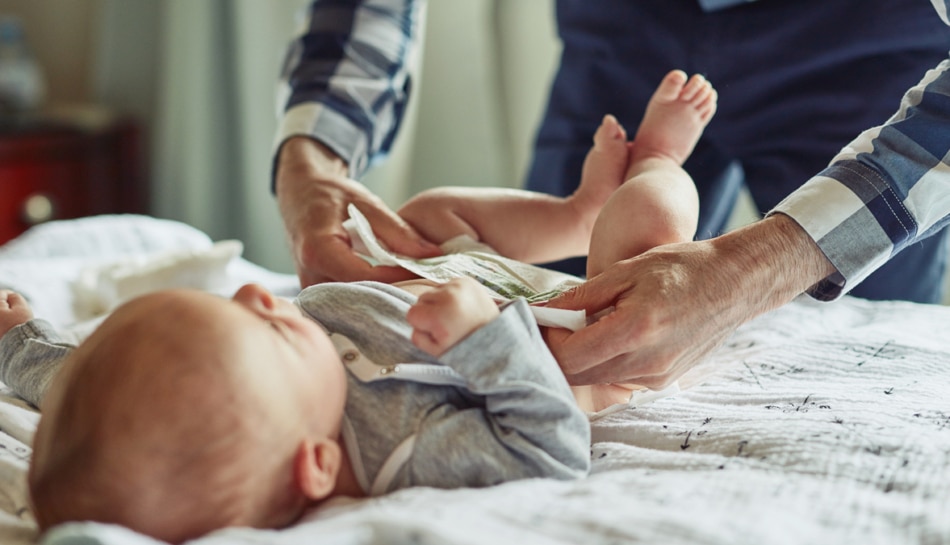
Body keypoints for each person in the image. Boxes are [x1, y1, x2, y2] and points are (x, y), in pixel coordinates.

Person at [0, 70, 716, 544]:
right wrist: (487, 338)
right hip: (574, 327)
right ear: (314, 465)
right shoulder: (403, 451)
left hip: (434, 271)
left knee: (427, 211)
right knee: (644, 224)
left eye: (238, 308)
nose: (256, 295)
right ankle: (657, 162)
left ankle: (575, 210)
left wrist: (17, 337)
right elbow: (548, 446)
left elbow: (81, 384)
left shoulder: (165, 409)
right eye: (270, 329)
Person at [274, 0, 950, 389]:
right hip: (627, 21)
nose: (254, 294)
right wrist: (314, 159)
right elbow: (549, 415)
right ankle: (635, 177)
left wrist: (760, 265)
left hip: (871, 28)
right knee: (606, 325)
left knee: (863, 334)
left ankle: (599, 200)